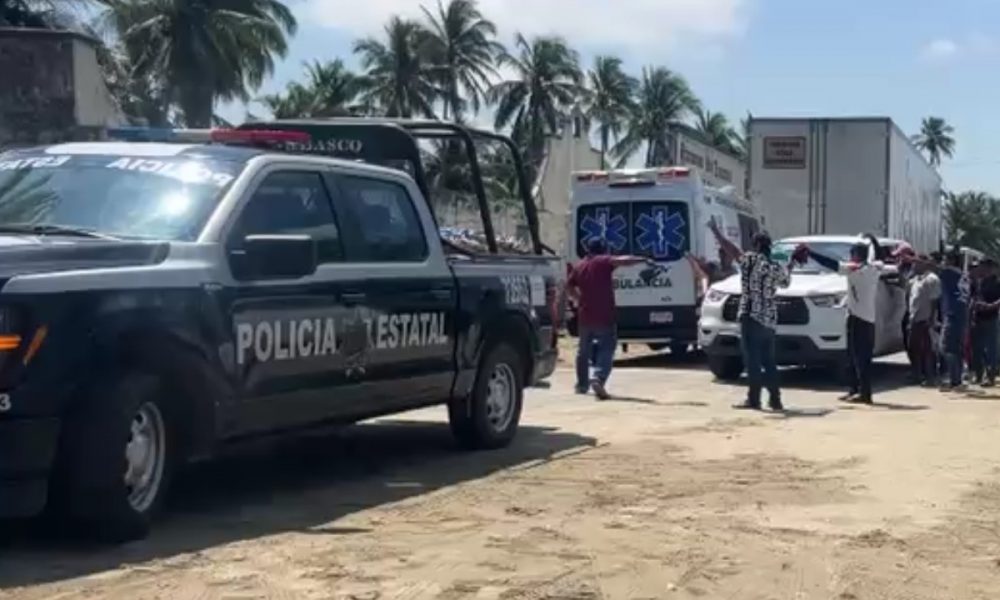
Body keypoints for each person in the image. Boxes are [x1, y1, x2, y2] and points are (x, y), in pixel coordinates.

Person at [708, 218, 798, 411]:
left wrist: (716, 232)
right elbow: (785, 281)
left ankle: (754, 399)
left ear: (756, 245)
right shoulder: (774, 267)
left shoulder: (751, 260)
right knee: (769, 361)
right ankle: (775, 400)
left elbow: (731, 249)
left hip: (751, 316)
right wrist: (791, 263)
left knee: (753, 361)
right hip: (769, 320)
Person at [566, 239, 654, 400]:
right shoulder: (602, 261)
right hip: (605, 315)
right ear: (603, 249)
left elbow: (569, 286)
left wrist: (579, 299)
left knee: (583, 351)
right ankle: (598, 378)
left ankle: (581, 385)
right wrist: (642, 259)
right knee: (607, 348)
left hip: (585, 315)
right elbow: (622, 261)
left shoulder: (580, 266)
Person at [808, 234, 885, 404]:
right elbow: (880, 258)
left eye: (852, 254)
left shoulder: (855, 269)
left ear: (856, 255)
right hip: (861, 317)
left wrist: (811, 253)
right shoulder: (875, 268)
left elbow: (831, 264)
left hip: (860, 319)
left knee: (860, 357)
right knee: (853, 356)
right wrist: (873, 240)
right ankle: (855, 390)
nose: (850, 257)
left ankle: (864, 393)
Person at [904, 248, 971, 391]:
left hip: (952, 314)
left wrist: (919, 261)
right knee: (954, 348)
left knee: (946, 347)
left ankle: (955, 380)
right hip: (960, 314)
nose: (943, 262)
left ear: (951, 261)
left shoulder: (949, 273)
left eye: (945, 259)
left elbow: (933, 267)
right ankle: (956, 379)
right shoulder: (961, 275)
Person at [906, 254, 941, 386]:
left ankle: (930, 377)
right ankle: (917, 374)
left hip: (925, 319)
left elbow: (934, 301)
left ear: (924, 264)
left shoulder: (932, 279)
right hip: (915, 318)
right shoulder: (915, 280)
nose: (914, 266)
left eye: (917, 263)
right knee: (913, 348)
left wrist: (931, 319)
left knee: (927, 350)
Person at [970, 258, 1000, 386]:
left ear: (989, 268)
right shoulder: (978, 282)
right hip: (978, 318)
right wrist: (975, 304)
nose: (979, 269)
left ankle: (990, 376)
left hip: (991, 317)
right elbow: (972, 296)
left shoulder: (997, 282)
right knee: (977, 348)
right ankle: (978, 374)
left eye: (982, 266)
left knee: (991, 349)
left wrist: (991, 306)